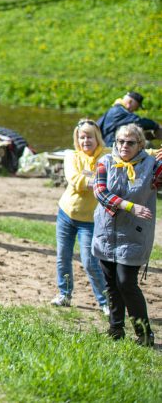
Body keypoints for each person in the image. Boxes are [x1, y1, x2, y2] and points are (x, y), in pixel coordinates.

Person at [92, 123, 161, 347]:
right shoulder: (105, 161)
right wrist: (130, 206)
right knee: (111, 284)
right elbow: (101, 192)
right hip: (105, 232)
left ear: (140, 144)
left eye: (130, 142)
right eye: (120, 141)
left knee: (126, 283)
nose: (124, 146)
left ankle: (144, 334)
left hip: (134, 234)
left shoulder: (151, 166)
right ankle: (115, 330)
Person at [50, 119, 109, 314]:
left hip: (90, 221)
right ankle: (64, 294)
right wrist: (99, 180)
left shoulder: (108, 156)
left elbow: (136, 156)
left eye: (89, 136)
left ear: (97, 138)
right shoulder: (71, 156)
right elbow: (74, 180)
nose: (85, 141)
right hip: (66, 213)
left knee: (90, 262)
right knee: (62, 257)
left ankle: (105, 302)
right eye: (82, 137)